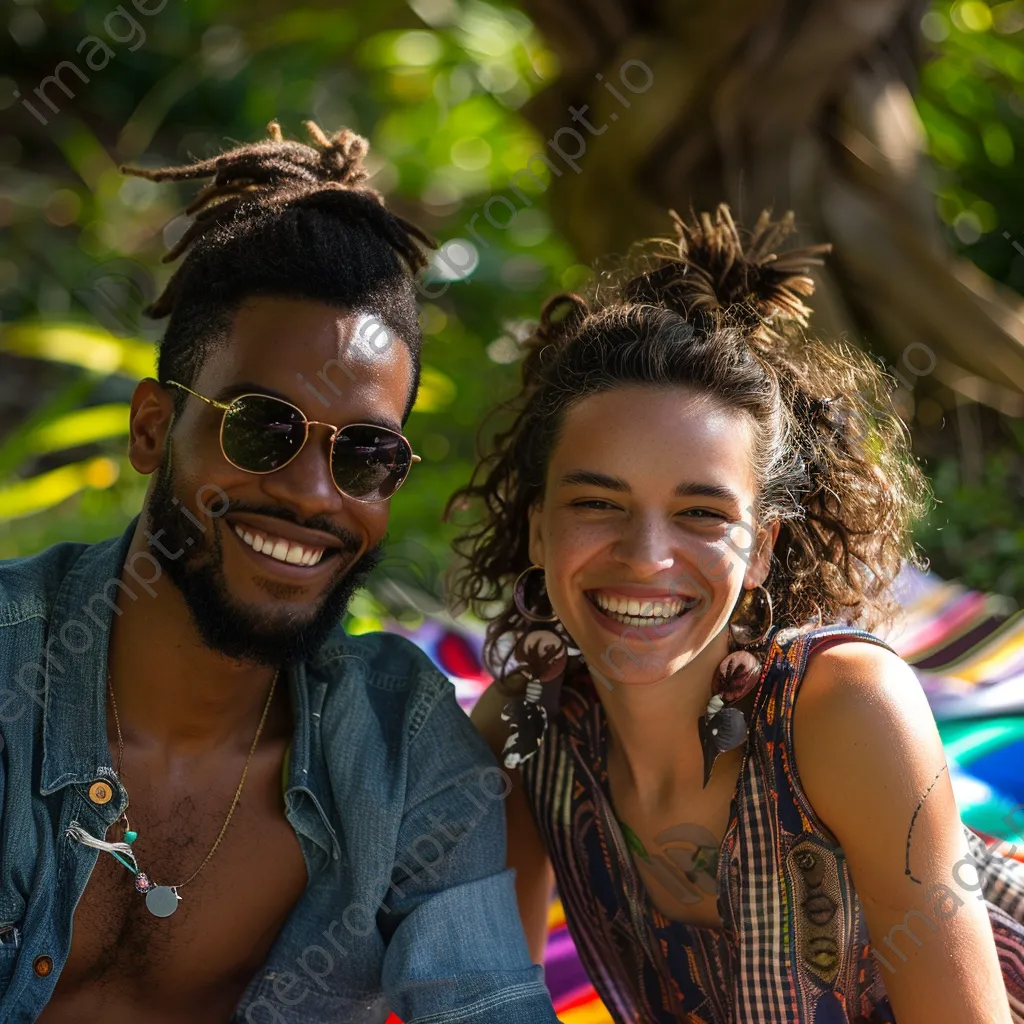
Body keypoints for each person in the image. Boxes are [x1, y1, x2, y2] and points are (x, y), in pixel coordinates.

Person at [0, 122, 558, 1024]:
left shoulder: (402, 751)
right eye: (263, 426)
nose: (309, 494)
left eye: (366, 455)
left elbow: (485, 1002)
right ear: (152, 430)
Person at [454, 205, 1024, 1023]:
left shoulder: (841, 706)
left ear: (761, 548)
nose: (646, 557)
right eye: (596, 503)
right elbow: (488, 1005)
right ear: (539, 530)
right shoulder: (529, 732)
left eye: (700, 514)